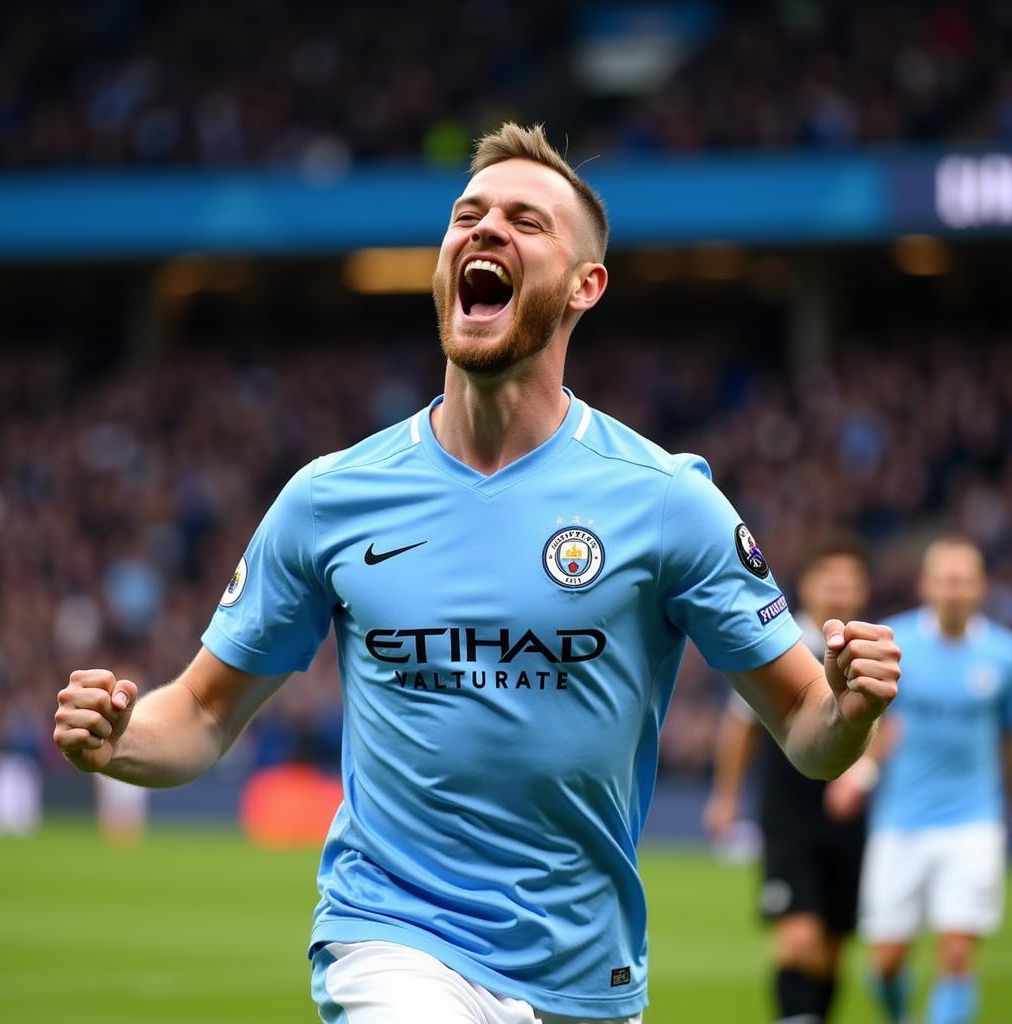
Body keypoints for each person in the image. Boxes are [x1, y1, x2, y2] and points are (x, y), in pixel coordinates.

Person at [53, 123, 901, 1024]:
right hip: (389, 937)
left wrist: (849, 711)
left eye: (526, 221)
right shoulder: (331, 498)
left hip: (586, 971)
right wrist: (121, 740)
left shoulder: (665, 502)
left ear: (586, 285)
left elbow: (808, 731)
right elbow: (203, 711)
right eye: (469, 214)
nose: (485, 229)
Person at [704, 535, 878, 1024]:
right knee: (798, 940)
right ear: (808, 586)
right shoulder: (780, 644)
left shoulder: (870, 650)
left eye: (850, 583)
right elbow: (740, 727)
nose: (840, 593)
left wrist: (864, 773)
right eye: (831, 581)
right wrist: (725, 799)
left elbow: (888, 726)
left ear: (862, 591)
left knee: (830, 950)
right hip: (788, 811)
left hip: (848, 815)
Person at [846, 537, 1012, 1024]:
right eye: (945, 579)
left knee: (957, 955)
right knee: (886, 964)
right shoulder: (893, 645)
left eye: (963, 580)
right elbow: (875, 724)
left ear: (981, 587)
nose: (954, 590)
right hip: (900, 820)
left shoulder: (1002, 655)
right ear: (926, 585)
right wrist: (860, 775)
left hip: (973, 822)